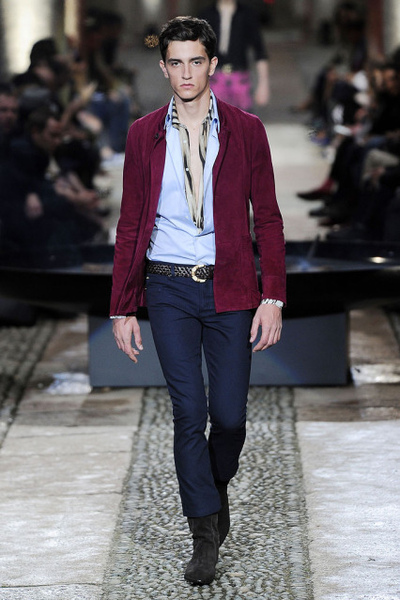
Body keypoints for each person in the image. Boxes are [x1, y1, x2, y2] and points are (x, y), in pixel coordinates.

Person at [110, 16, 286, 585]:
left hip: (230, 284)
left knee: (229, 418)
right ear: (163, 68)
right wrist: (122, 305)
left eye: (195, 61)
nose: (186, 73)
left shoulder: (246, 130)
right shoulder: (143, 134)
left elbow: (270, 218)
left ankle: (213, 487)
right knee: (188, 412)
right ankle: (204, 535)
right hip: (167, 286)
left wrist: (273, 296)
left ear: (212, 64)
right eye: (175, 63)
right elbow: (130, 223)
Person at [199, 0, 270, 110]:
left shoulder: (247, 14)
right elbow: (197, 51)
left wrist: (263, 84)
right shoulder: (206, 15)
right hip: (214, 79)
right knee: (215, 117)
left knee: (242, 118)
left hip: (240, 79)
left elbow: (259, 50)